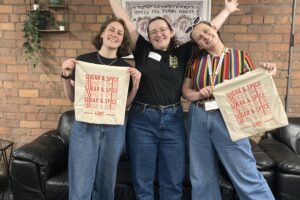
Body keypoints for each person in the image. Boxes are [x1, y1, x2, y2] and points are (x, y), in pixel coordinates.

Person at [109, 1, 239, 199]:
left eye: (163, 29)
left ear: (171, 31)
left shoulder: (183, 52)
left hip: (173, 120)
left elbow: (209, 32)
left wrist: (227, 11)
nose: (158, 34)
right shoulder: (142, 49)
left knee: (173, 179)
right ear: (149, 36)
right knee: (143, 180)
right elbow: (127, 21)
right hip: (142, 121)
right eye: (153, 32)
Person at [182, 20, 276, 200]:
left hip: (229, 116)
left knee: (244, 171)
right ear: (198, 44)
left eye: (206, 31)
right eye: (199, 38)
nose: (205, 37)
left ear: (215, 29)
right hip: (199, 115)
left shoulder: (240, 56)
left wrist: (267, 73)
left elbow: (251, 86)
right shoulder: (194, 61)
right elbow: (186, 91)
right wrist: (199, 94)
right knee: (201, 175)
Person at [60, 18, 141, 200]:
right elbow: (73, 98)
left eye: (120, 33)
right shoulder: (83, 61)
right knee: (80, 181)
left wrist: (135, 86)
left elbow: (124, 105)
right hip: (85, 125)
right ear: (102, 33)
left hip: (113, 128)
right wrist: (65, 75)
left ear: (122, 41)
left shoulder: (125, 69)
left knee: (106, 181)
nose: (115, 35)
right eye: (112, 30)